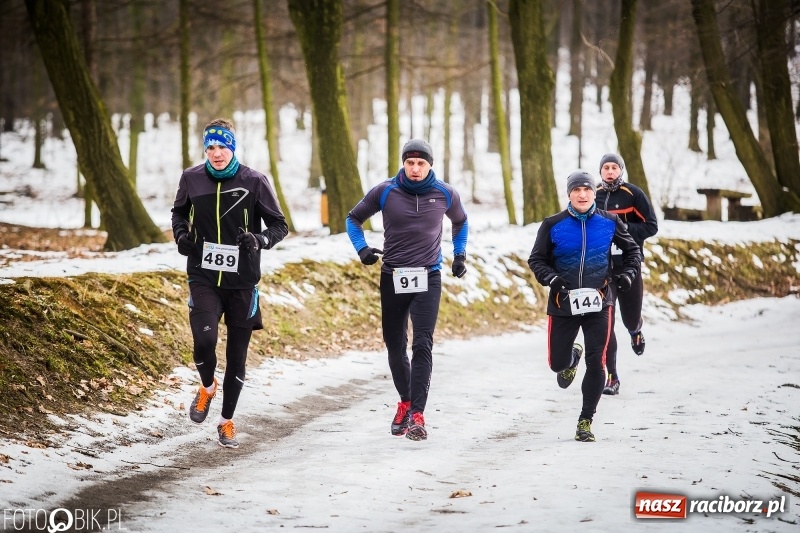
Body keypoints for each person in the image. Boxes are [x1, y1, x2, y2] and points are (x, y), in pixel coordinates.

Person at [171, 118, 288, 449]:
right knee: (204, 341)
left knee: (237, 357)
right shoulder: (192, 178)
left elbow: (280, 225)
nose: (216, 153)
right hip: (203, 274)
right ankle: (207, 387)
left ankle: (226, 422)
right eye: (210, 147)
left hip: (243, 282)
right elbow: (179, 213)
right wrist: (182, 235)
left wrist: (260, 239)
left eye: (222, 146)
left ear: (232, 148)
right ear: (204, 149)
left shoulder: (254, 180)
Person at [346, 139, 469, 441]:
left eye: (421, 163)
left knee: (422, 343)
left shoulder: (444, 193)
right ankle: (404, 401)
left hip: (429, 275)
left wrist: (460, 254)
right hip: (393, 276)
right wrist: (361, 249)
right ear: (403, 163)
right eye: (410, 162)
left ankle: (417, 414)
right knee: (395, 344)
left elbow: (461, 221)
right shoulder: (385, 191)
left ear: (430, 165)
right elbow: (353, 219)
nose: (415, 168)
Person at [528, 171, 641, 442]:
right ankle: (570, 359)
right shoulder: (553, 224)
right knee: (557, 365)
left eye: (587, 190)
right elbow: (536, 259)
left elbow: (633, 252)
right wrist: (552, 279)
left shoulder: (609, 222)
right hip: (563, 303)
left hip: (598, 301)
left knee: (597, 362)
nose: (582, 194)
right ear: (569, 194)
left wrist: (626, 276)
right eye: (576, 190)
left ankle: (585, 420)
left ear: (594, 192)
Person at [594, 154, 658, 396]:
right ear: (600, 172)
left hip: (629, 266)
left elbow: (651, 226)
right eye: (605, 168)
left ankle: (635, 330)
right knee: (605, 324)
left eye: (614, 167)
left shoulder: (633, 194)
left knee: (629, 317)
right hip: (602, 269)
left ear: (620, 170)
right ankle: (612, 376)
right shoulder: (594, 195)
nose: (609, 171)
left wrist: (621, 228)